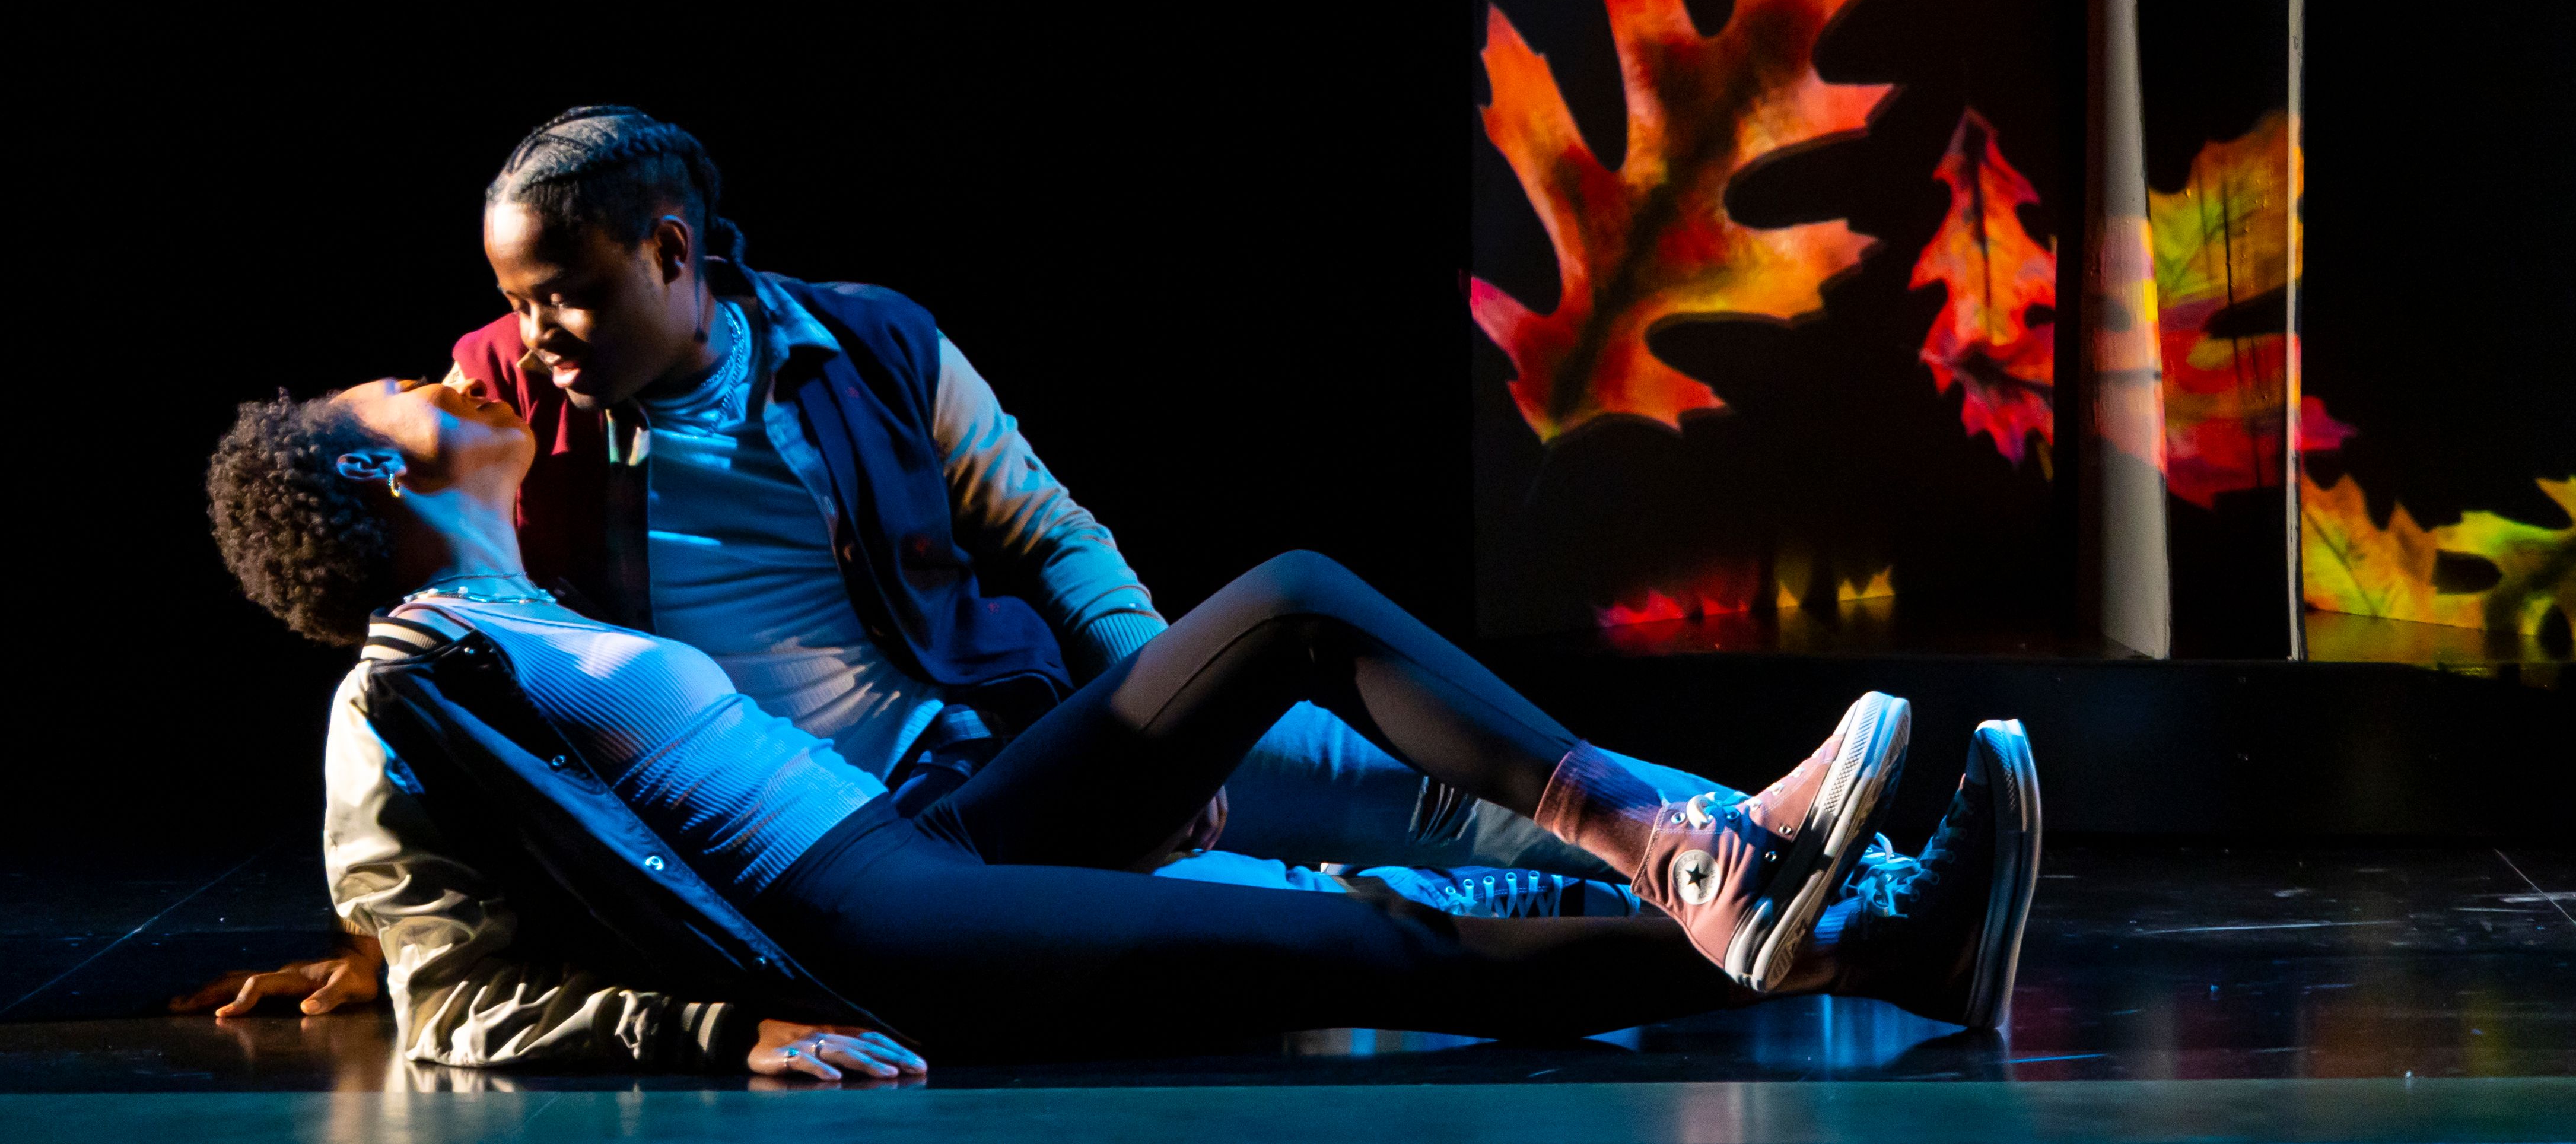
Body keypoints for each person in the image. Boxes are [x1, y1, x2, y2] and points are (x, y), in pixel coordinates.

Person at [182, 103, 1752, 1034]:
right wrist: (394, 937)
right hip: (870, 853)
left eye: (566, 296)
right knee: (1359, 916)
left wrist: (1168, 714)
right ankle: (1773, 921)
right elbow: (417, 684)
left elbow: (1049, 533)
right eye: (515, 304)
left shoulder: (869, 344)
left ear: (673, 251)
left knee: (1424, 784)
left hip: (1000, 741)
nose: (526, 340)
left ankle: (1762, 842)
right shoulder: (501, 407)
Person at [198, 373, 2043, 1072]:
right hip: (882, 934)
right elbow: (462, 997)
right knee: (1371, 945)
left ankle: (1685, 846)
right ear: (378, 478)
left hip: (924, 844)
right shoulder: (406, 694)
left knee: (1291, 600)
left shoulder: (524, 610)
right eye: (406, 393)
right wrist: (725, 1032)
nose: (447, 374)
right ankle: (1888, 939)